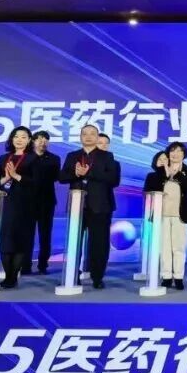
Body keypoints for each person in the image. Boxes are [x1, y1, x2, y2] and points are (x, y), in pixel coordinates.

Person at [59, 124, 118, 289]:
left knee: (99, 243)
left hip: (100, 206)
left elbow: (113, 179)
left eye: (92, 133)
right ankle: (72, 274)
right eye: (85, 133)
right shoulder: (72, 156)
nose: (88, 136)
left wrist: (89, 173)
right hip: (77, 206)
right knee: (74, 242)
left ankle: (97, 277)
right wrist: (76, 173)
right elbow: (62, 177)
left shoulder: (107, 156)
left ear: (97, 137)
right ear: (80, 137)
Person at [0, 126, 38, 289]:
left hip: (25, 204)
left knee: (19, 240)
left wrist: (16, 176)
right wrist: (6, 178)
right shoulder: (3, 158)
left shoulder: (33, 159)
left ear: (29, 140)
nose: (19, 140)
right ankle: (7, 275)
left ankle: (12, 277)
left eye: (23, 137)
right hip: (5, 204)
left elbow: (37, 183)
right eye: (16, 136)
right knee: (5, 241)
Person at [147, 142, 187, 290]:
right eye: (172, 151)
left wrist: (176, 174)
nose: (175, 154)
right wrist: (163, 171)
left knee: (178, 247)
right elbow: (150, 188)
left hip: (181, 215)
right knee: (164, 247)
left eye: (179, 151)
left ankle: (179, 277)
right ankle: (166, 276)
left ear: (184, 154)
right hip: (161, 214)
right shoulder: (159, 171)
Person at [29, 130, 60, 275]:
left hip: (47, 201)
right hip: (27, 201)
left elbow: (56, 177)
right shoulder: (26, 157)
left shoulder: (54, 159)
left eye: (46, 139)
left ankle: (43, 265)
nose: (43, 142)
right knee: (26, 234)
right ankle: (25, 264)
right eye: (40, 139)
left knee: (45, 234)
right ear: (33, 141)